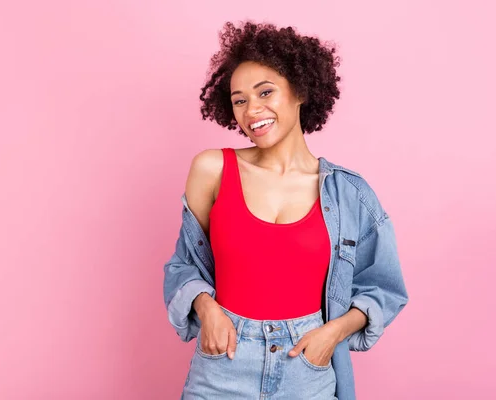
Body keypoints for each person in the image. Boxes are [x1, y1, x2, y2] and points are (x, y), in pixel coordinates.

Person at [163, 21, 409, 400]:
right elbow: (182, 266)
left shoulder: (348, 192)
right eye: (240, 99)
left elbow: (383, 288)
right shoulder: (212, 169)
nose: (252, 110)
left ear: (301, 91)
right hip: (223, 365)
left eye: (265, 92)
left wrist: (333, 333)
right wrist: (206, 307)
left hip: (306, 367)